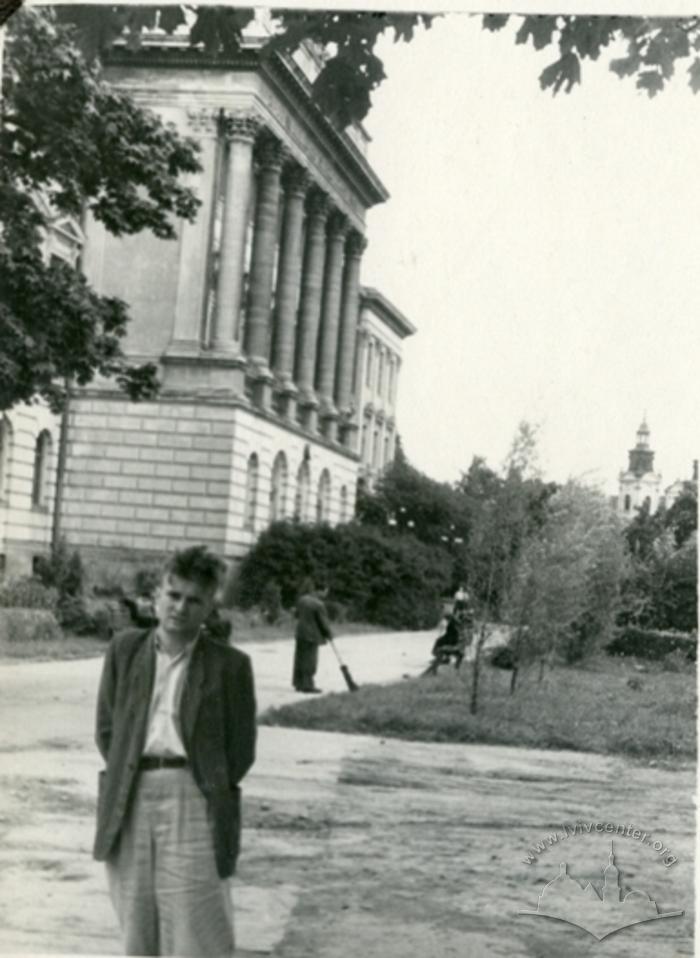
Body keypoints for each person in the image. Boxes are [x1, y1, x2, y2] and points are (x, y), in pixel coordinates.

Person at [93, 545, 256, 957]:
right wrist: (131, 767)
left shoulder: (230, 665)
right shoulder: (125, 650)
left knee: (197, 924)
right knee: (135, 922)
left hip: (195, 795)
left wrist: (204, 780)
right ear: (157, 594)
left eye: (194, 600)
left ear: (209, 607)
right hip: (130, 792)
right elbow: (107, 730)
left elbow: (241, 750)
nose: (180, 607)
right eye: (173, 594)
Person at [292, 579, 332, 693]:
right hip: (312, 635)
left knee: (299, 658)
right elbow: (323, 622)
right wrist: (329, 635)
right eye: (326, 592)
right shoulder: (319, 604)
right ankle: (308, 685)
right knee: (310, 661)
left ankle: (298, 683)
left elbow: (296, 614)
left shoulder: (302, 599)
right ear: (321, 591)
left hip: (300, 633)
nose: (325, 595)